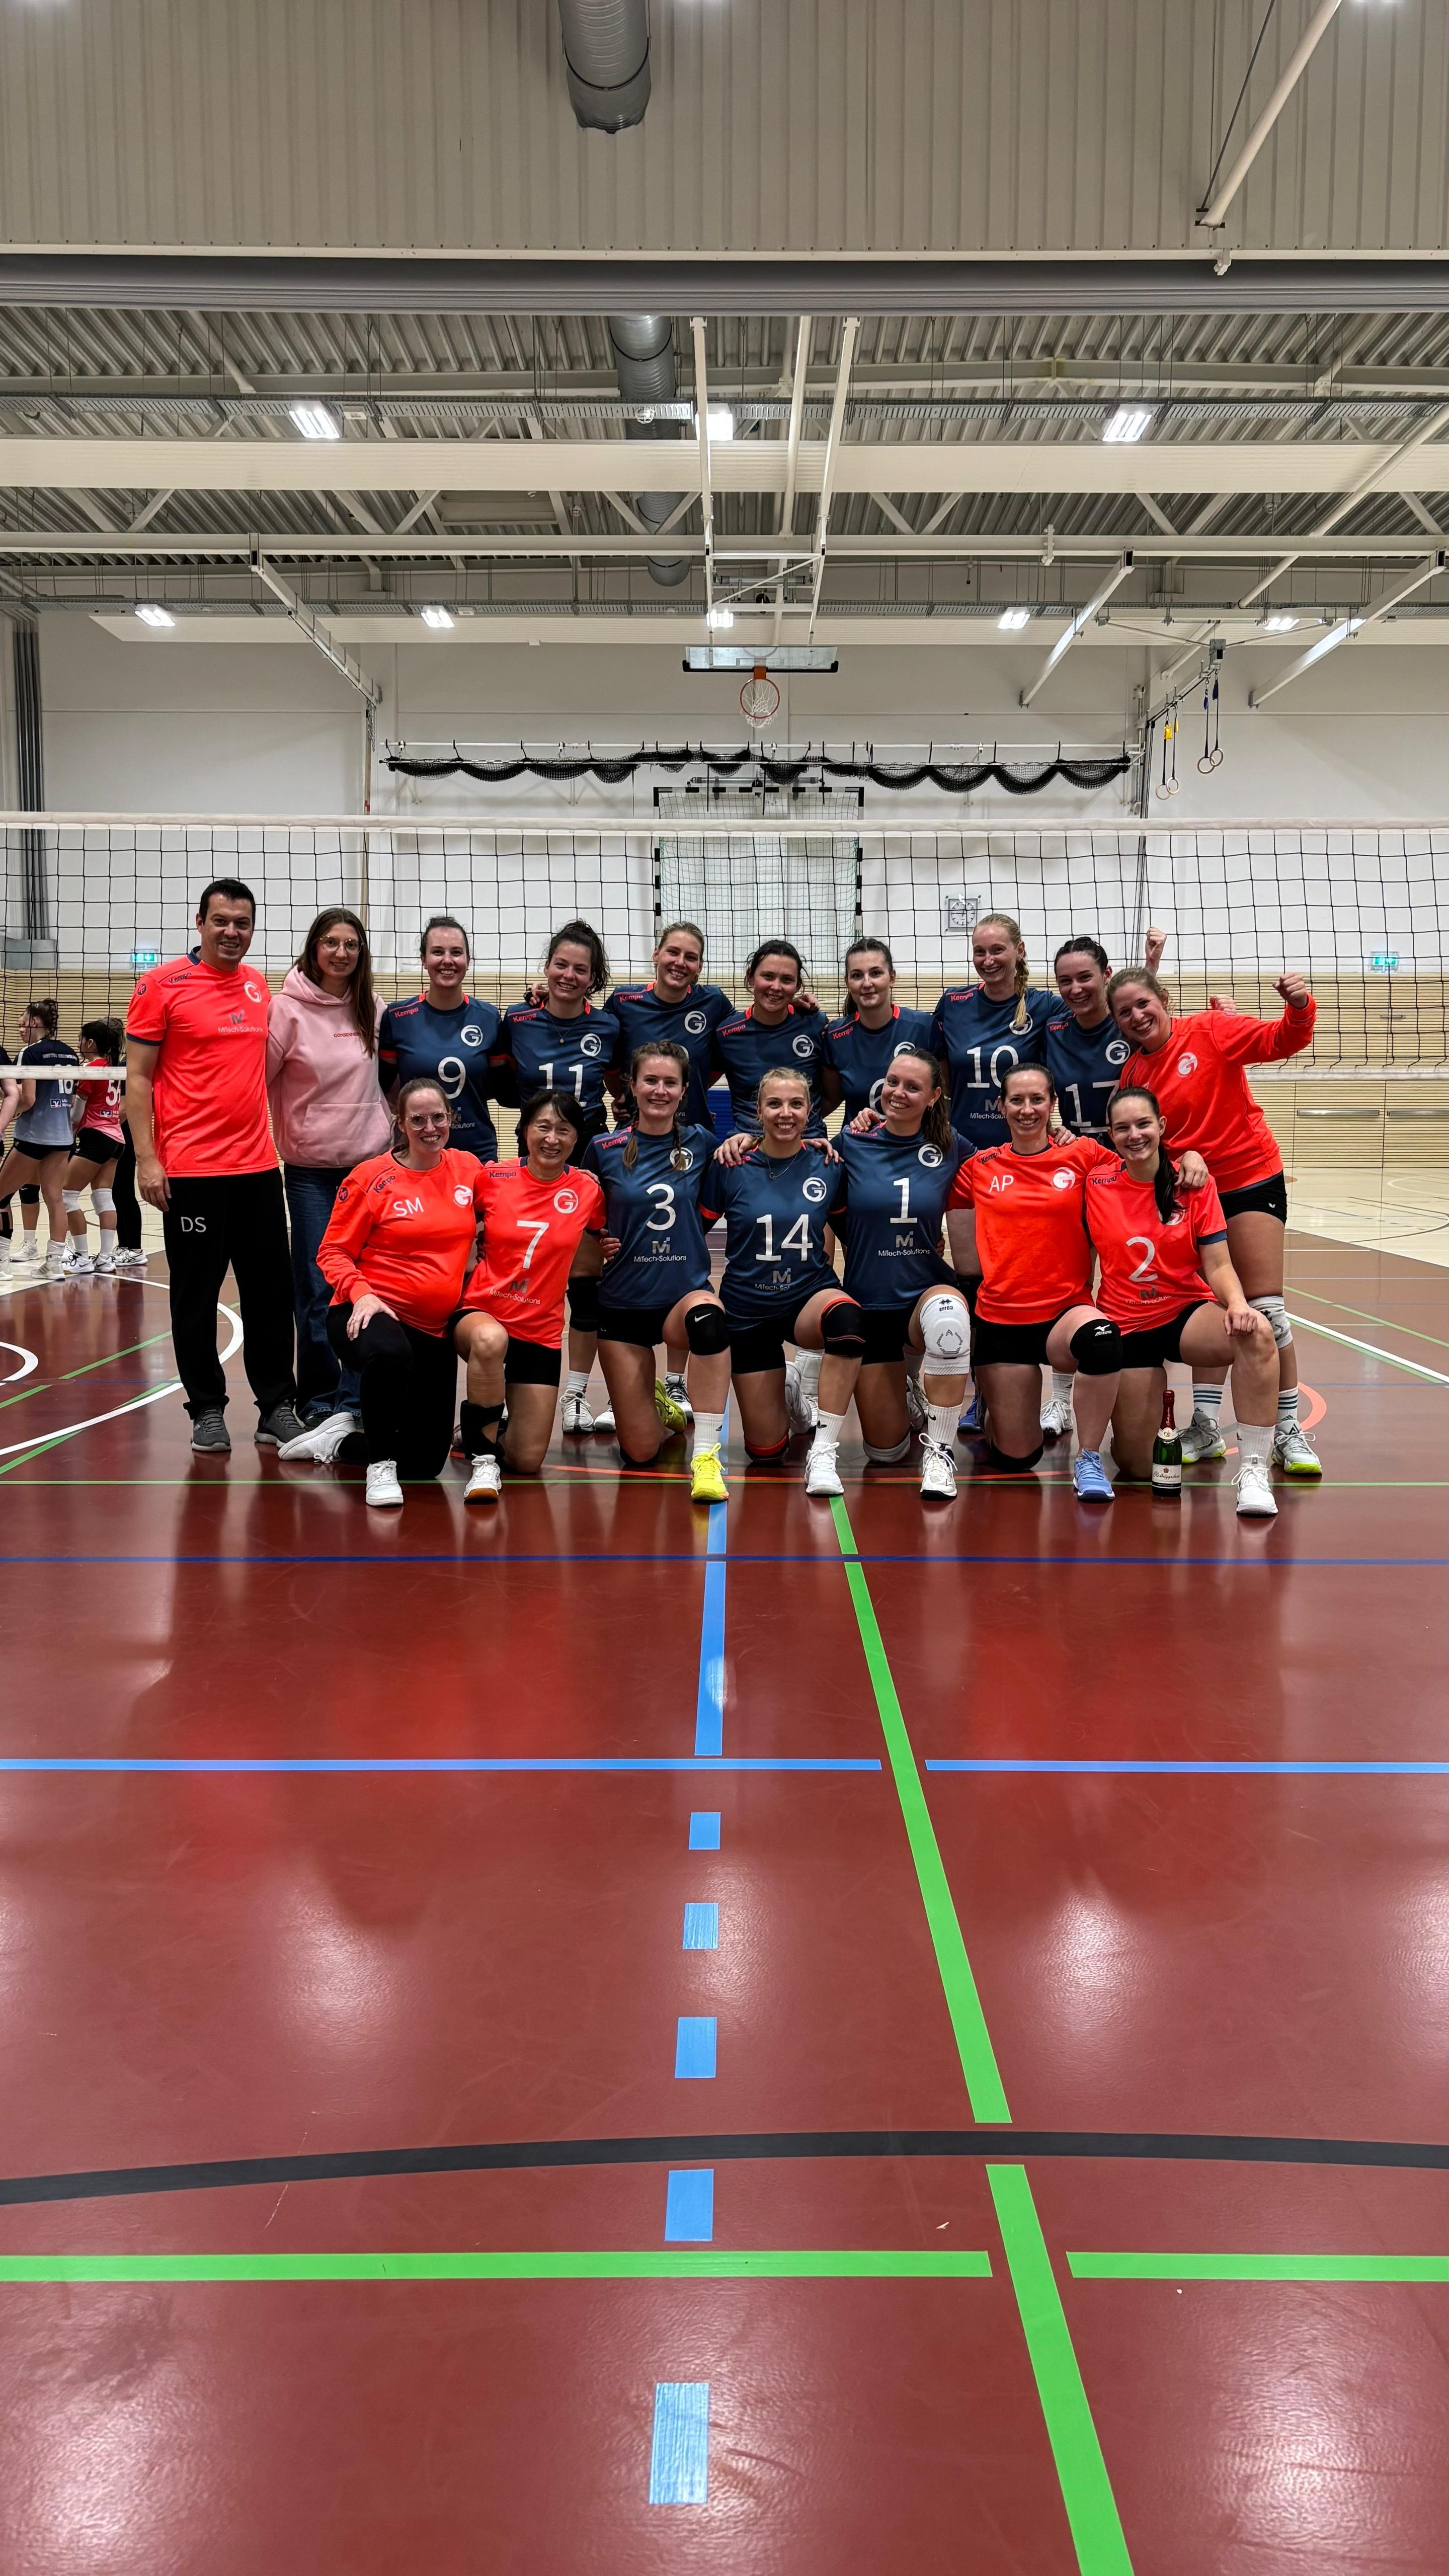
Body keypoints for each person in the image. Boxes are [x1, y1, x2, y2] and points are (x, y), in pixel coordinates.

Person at [1108, 963, 1321, 1478]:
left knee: (1265, 1307)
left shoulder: (1211, 1029)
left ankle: (1288, 1430)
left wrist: (1298, 1005)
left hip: (1249, 1177)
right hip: (1197, 1192)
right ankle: (1204, 1425)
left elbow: (1282, 1040)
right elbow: (1147, 1143)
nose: (1137, 1016)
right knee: (1213, 1303)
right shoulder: (1135, 1074)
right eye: (1125, 1011)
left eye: (1144, 1003)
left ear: (1164, 999)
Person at [125, 877, 303, 1455]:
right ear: (199, 922)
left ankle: (277, 1406)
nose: (232, 932)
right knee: (196, 1296)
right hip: (192, 1174)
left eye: (243, 923)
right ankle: (206, 1408)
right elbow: (138, 1079)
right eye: (221, 920)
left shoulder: (258, 986)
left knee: (271, 1292)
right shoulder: (160, 985)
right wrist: (148, 1160)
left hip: (256, 1168)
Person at [1087, 1086, 1280, 1518]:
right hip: (1127, 1325)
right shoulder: (1096, 1181)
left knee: (1259, 1332)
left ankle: (1253, 1470)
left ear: (1161, 1127)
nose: (1134, 1135)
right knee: (1138, 1466)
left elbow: (1217, 1263)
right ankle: (1141, 1420)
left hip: (1182, 1313)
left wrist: (1236, 1304)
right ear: (1111, 1135)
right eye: (1122, 1128)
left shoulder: (1192, 1183)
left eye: (1143, 1125)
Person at [299, 1078, 489, 1507]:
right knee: (390, 1354)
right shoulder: (371, 1177)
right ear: (399, 1123)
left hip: (433, 1329)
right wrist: (361, 1292)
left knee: (425, 1463)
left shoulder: (466, 1169)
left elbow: (512, 1191)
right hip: (365, 1313)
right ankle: (380, 1467)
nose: (429, 1128)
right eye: (417, 1119)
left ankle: (341, 1442)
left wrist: (569, 1177)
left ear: (451, 1119)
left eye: (438, 1117)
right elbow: (331, 1251)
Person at [945, 1062, 1129, 1503]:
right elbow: (943, 1197)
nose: (1027, 1110)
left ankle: (1088, 1457)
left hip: (1065, 1313)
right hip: (1001, 1320)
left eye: (1037, 1100)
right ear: (1001, 1106)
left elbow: (1144, 1168)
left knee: (1102, 1338)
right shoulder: (980, 1167)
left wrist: (1193, 1160)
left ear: (1052, 1105)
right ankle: (994, 1402)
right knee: (1017, 1457)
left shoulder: (1084, 1155)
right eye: (1017, 1100)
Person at [700, 1066, 864, 1498]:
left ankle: (824, 1451)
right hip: (747, 1308)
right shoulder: (731, 1164)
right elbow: (691, 1229)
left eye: (796, 1104)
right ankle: (790, 1391)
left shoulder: (828, 1163)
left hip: (807, 1295)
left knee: (846, 1320)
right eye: (774, 1104)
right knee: (767, 1452)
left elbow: (854, 1232)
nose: (785, 1113)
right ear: (758, 1111)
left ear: (811, 1111)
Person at [583, 1041, 731, 1505]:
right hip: (623, 1306)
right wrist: (602, 1237)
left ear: (685, 1090)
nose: (660, 1091)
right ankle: (659, 1403)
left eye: (670, 1082)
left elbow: (761, 1149)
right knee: (642, 1453)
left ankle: (706, 1456)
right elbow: (586, 1217)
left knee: (710, 1320)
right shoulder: (602, 1149)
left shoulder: (704, 1143)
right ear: (632, 1085)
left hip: (681, 1298)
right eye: (651, 1080)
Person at [1037, 925, 1166, 1440]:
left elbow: (1152, 1013)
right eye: (1064, 980)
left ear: (1106, 976)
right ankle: (1061, 1399)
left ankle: (1146, 1391)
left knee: (1127, 1284)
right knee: (1071, 1284)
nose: (1074, 989)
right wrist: (1054, 1127)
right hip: (1073, 1174)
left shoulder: (1126, 1027)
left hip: (1127, 1176)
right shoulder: (1050, 1029)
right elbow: (1033, 1085)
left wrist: (1152, 968)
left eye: (1085, 978)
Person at [268, 906, 390, 1443]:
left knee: (369, 1289)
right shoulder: (284, 1010)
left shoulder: (373, 1008)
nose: (342, 952)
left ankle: (357, 1397)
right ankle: (317, 1399)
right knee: (320, 1289)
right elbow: (255, 1085)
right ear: (314, 947)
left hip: (368, 1169)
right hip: (311, 1172)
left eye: (351, 944)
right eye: (331, 942)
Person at [495, 921, 622, 1434]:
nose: (569, 975)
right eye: (561, 965)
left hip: (589, 1154)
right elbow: (504, 1088)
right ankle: (505, 1389)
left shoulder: (610, 1026)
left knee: (588, 1283)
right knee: (519, 1276)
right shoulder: (518, 1018)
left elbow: (618, 1085)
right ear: (547, 968)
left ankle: (575, 1394)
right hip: (532, 1158)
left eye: (581, 969)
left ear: (594, 978)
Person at [832, 1046, 974, 1500]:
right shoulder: (851, 1141)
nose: (898, 1093)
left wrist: (1063, 1139)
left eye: (913, 1087)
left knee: (950, 1315)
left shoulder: (952, 1145)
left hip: (923, 1295)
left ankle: (942, 1454)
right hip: (869, 1301)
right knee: (886, 1453)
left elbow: (1011, 1165)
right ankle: (910, 1389)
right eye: (893, 1082)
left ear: (934, 1096)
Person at [451, 1090, 606, 1501]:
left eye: (563, 1129)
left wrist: (608, 1249)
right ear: (524, 1131)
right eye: (542, 1127)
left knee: (526, 1459)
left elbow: (598, 1245)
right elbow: (454, 1225)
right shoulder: (492, 1178)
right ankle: (482, 1462)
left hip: (539, 1330)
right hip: (481, 1314)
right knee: (490, 1341)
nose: (552, 1138)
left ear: (577, 1139)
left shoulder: (588, 1191)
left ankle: (483, 1421)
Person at [378, 915, 502, 1166]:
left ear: (468, 960)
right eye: (437, 952)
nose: (448, 960)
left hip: (475, 1152)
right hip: (415, 1152)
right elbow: (383, 1087)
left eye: (456, 952)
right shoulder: (397, 1017)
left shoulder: (489, 1018)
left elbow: (498, 1089)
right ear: (424, 960)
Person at [929, 912, 1055, 1153]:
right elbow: (938, 1072)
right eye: (980, 952)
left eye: (998, 950)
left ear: (1020, 949)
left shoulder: (1044, 1005)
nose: (988, 961)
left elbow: (1101, 1013)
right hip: (963, 1147)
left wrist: (1150, 968)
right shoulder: (953, 1003)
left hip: (1025, 1148)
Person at [713, 941, 831, 1142]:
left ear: (797, 986)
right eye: (768, 976)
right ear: (751, 977)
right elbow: (697, 1083)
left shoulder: (815, 1024)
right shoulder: (727, 1033)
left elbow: (831, 1095)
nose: (776, 987)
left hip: (808, 1142)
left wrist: (798, 1125)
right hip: (748, 1146)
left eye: (787, 980)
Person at [0, 1000, 79, 1282]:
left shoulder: (29, 1053)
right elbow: (70, 1100)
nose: (19, 1029)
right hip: (62, 1137)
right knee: (55, 1198)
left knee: (1, 1194)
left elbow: (29, 1099)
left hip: (34, 1137)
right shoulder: (71, 1054)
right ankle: (55, 1263)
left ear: (35, 1023)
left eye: (22, 1023)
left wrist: (9, 1107)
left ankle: (2, 1265)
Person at [820, 937, 935, 1121]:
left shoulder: (924, 1028)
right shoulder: (835, 1036)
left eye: (875, 973)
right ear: (847, 982)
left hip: (914, 1145)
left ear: (892, 978)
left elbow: (943, 1093)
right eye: (857, 975)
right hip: (858, 1144)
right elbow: (830, 1100)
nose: (867, 983)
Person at [60, 1017, 126, 1272]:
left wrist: (67, 1135)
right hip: (116, 1139)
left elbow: (78, 1115)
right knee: (103, 1197)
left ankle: (81, 1257)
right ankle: (106, 1258)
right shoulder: (113, 1067)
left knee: (66, 1195)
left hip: (96, 1138)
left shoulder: (91, 1069)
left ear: (90, 1042)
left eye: (81, 1039)